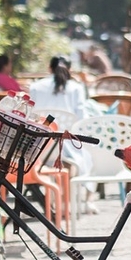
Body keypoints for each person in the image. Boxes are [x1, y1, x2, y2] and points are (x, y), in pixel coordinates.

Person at [28, 56, 95, 211]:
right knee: (79, 154)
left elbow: (31, 114)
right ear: (69, 69)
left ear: (49, 68)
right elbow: (81, 118)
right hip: (66, 146)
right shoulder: (76, 88)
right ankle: (66, 204)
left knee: (64, 152)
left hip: (40, 147)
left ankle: (53, 202)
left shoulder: (36, 86)